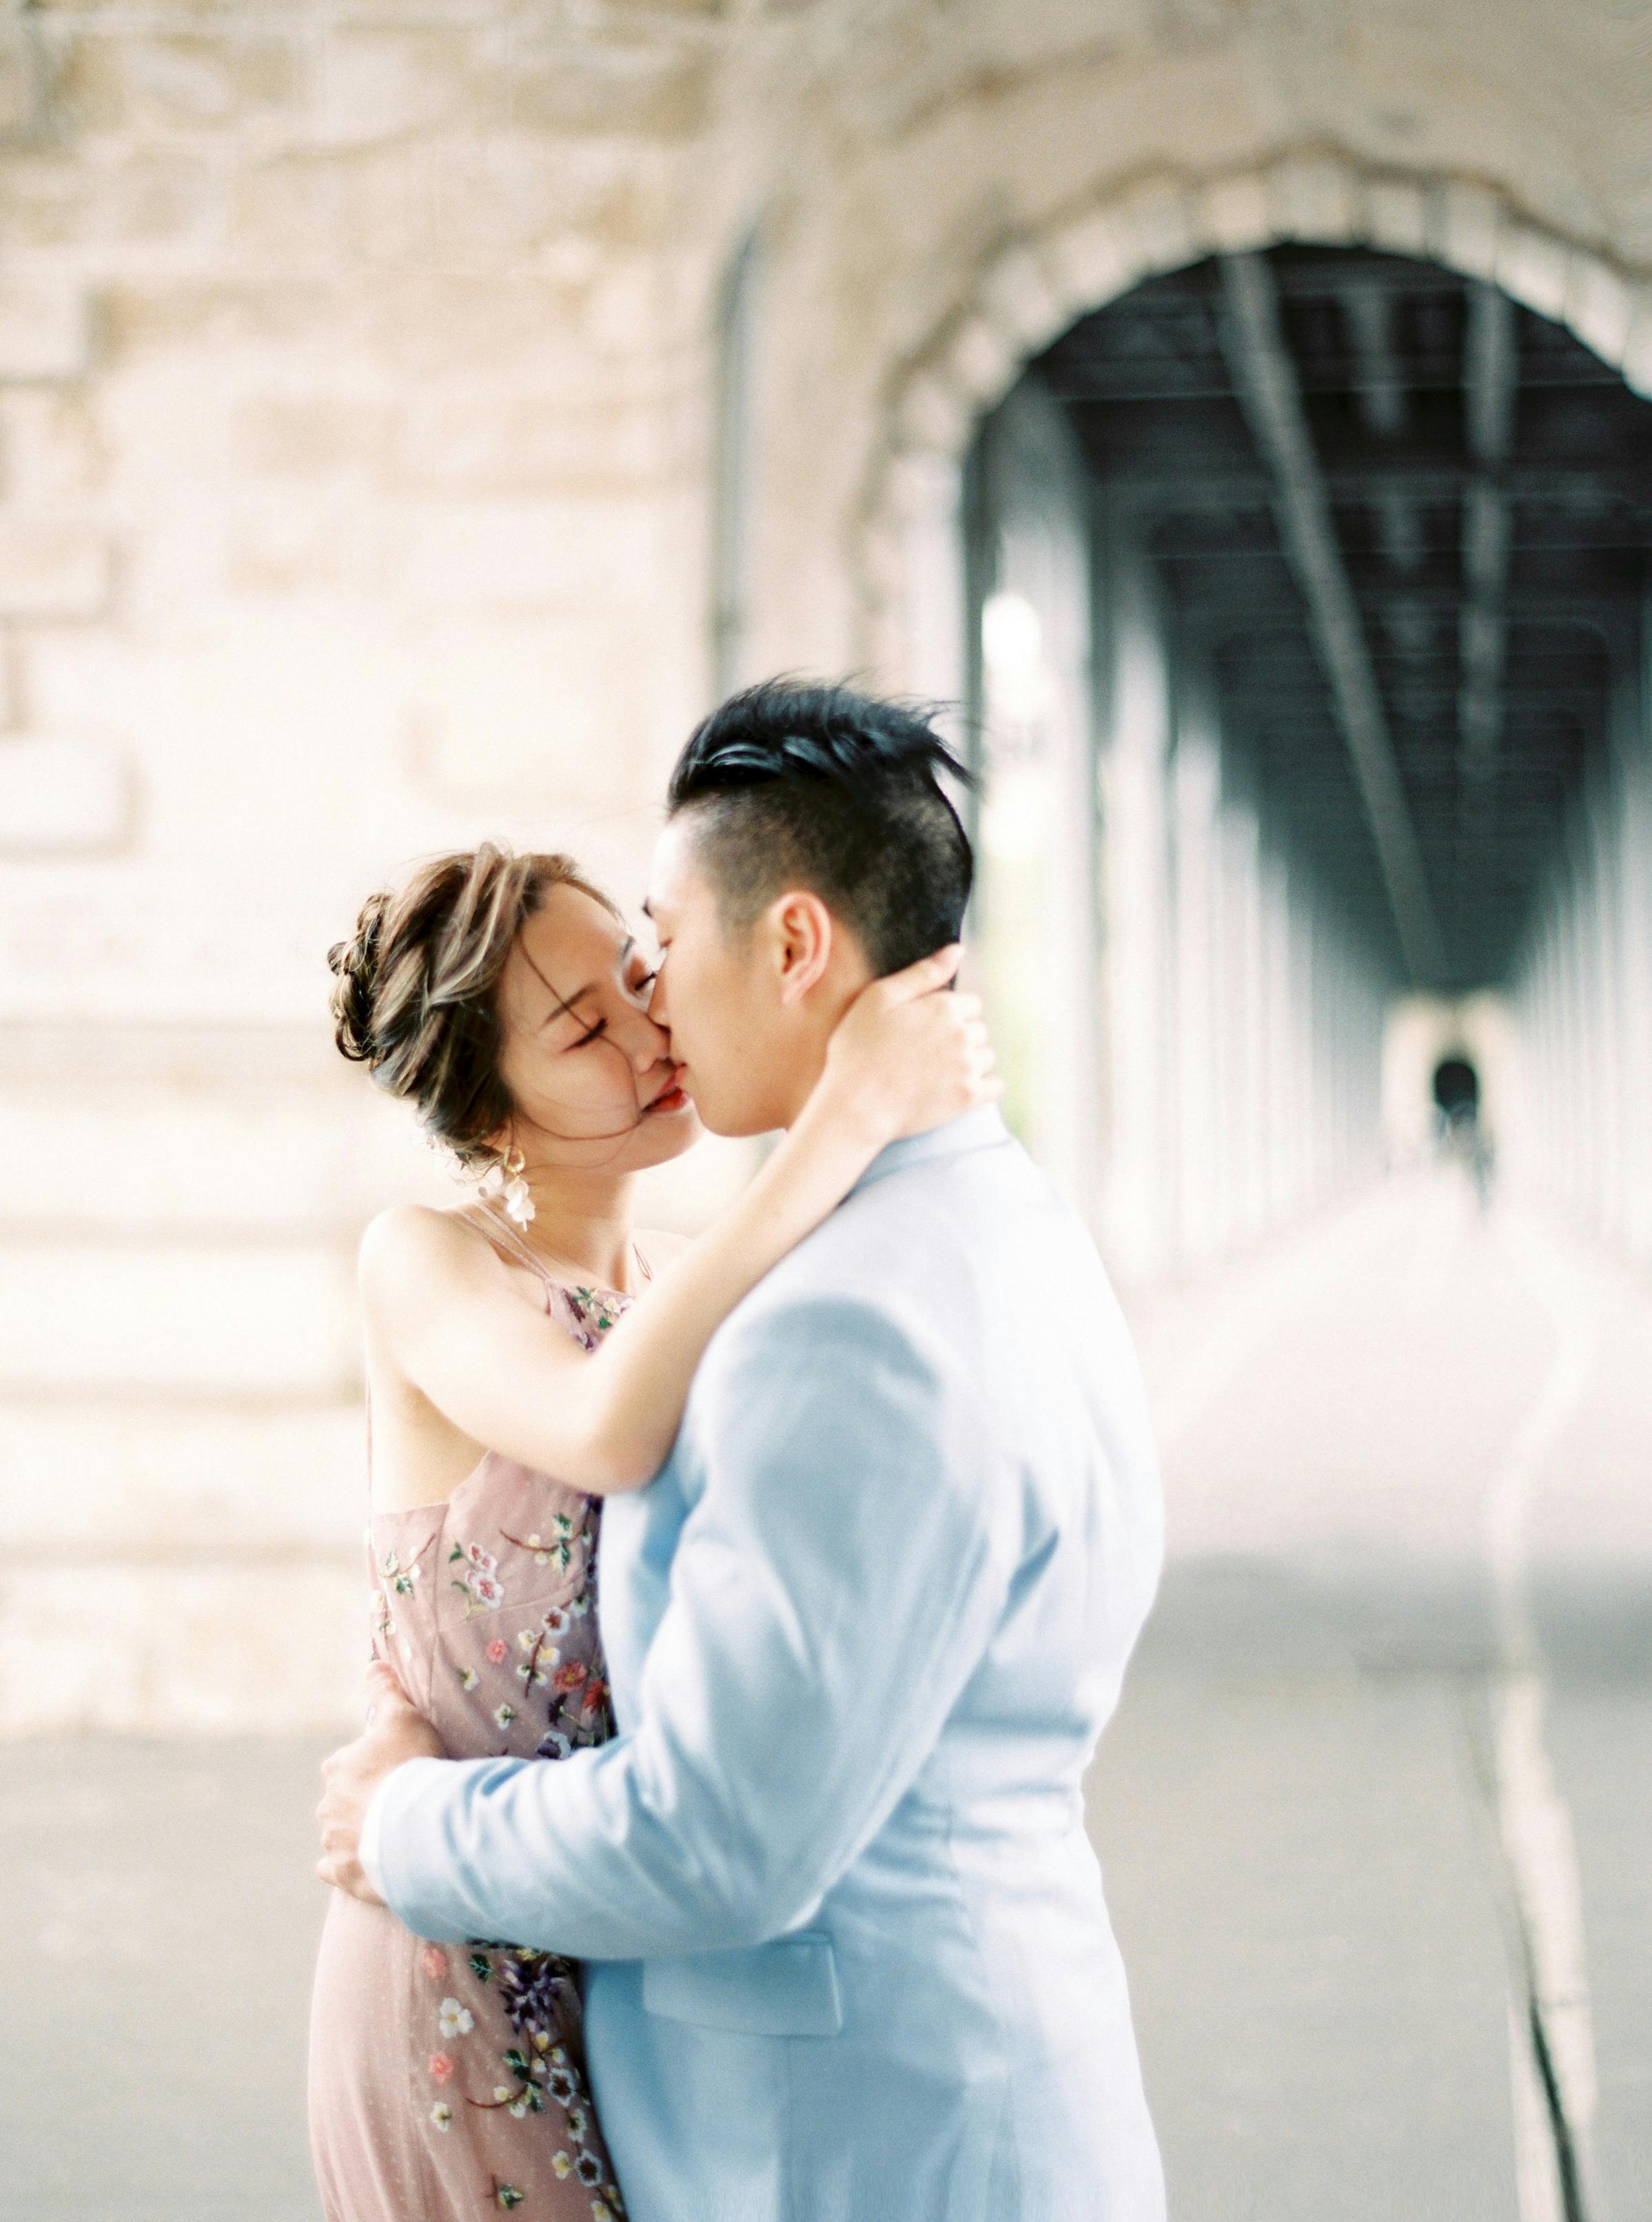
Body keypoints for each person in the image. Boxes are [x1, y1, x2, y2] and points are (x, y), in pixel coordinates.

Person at [318, 681, 1167, 2221]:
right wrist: (835, 1122)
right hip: (475, 1965)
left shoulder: (779, 1307)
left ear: (785, 945)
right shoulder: (967, 1231)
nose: (649, 1014)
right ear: (492, 1100)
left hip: (715, 2025)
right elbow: (597, 1428)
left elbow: (717, 1839)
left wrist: (402, 1817)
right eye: (590, 1016)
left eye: (652, 956)